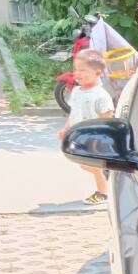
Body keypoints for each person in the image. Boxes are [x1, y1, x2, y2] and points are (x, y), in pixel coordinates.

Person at [58, 48, 115, 205]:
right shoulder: (77, 91)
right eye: (76, 69)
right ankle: (108, 175)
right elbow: (73, 112)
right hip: (79, 136)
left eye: (83, 70)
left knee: (94, 166)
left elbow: (107, 117)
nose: (78, 74)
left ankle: (103, 193)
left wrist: (99, 138)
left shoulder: (101, 95)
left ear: (98, 73)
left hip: (94, 139)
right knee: (83, 164)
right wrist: (66, 129)